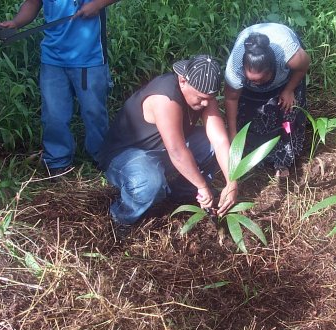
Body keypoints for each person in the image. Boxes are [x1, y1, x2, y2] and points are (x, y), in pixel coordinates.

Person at [96, 55, 238, 238]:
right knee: (149, 183)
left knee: (210, 144)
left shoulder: (204, 95)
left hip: (164, 151)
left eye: (209, 99)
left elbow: (219, 140)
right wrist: (202, 186)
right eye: (201, 98)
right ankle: (122, 217)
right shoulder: (165, 97)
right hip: (128, 155)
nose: (205, 103)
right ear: (183, 80)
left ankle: (180, 193)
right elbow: (177, 151)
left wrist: (232, 181)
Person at [0, 0, 118, 176]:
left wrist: (98, 4)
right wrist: (16, 22)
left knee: (94, 112)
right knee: (53, 115)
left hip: (89, 57)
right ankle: (57, 163)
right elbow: (32, 3)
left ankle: (102, 158)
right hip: (52, 57)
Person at [224, 23, 310, 178]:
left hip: (285, 82)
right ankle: (256, 156)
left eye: (261, 79)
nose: (256, 82)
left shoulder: (289, 56)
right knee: (252, 119)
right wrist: (233, 133)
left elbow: (303, 66)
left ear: (273, 67)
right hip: (251, 89)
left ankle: (283, 160)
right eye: (251, 79)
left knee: (287, 115)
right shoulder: (234, 68)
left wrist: (289, 90)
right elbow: (231, 99)